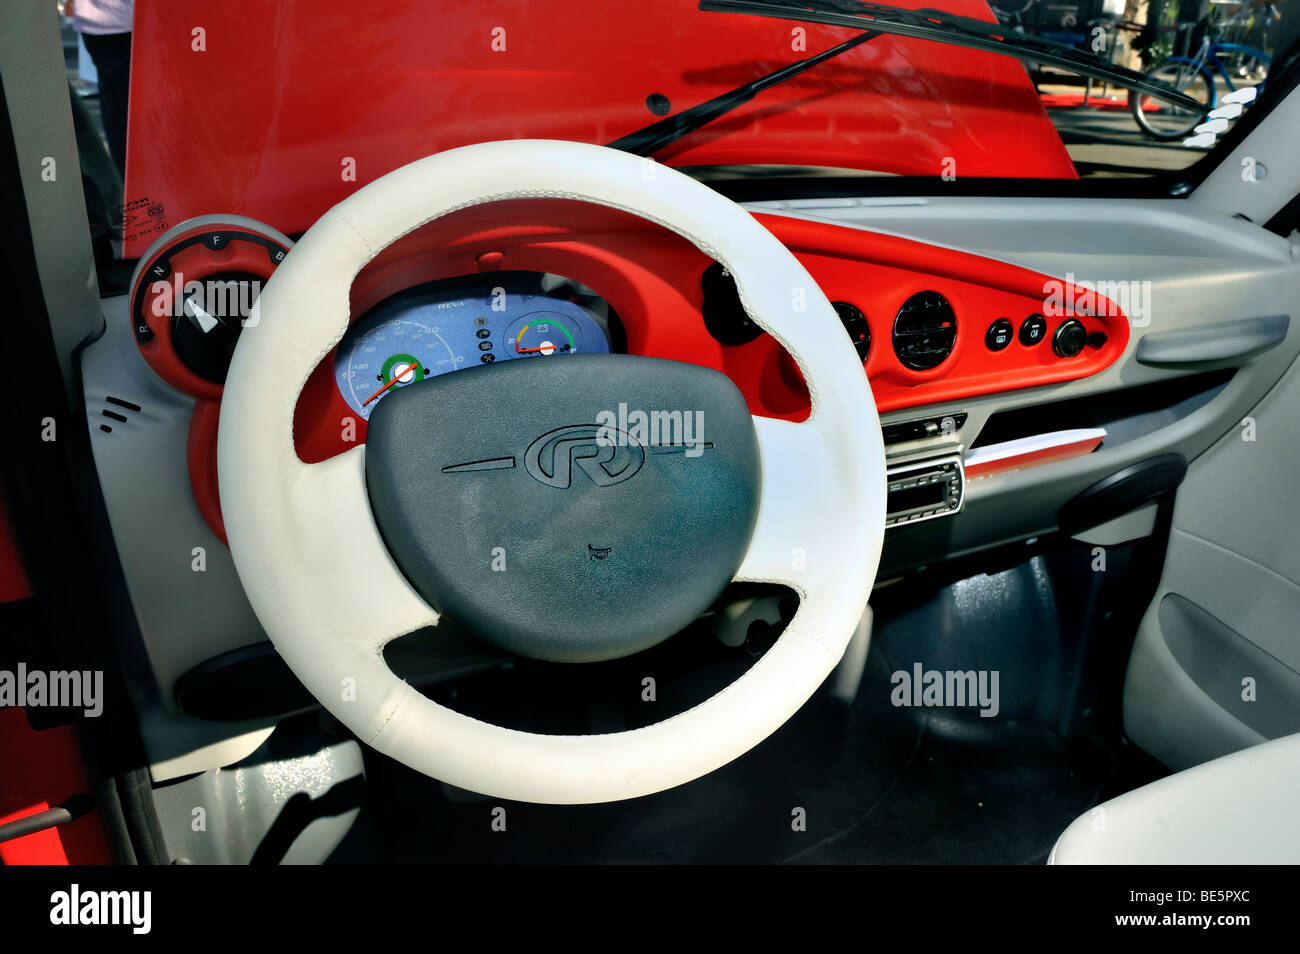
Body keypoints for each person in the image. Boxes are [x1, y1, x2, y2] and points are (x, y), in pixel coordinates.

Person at [65, 0, 133, 181]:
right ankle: (128, 179)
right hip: (110, 20)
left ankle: (126, 179)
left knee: (117, 103)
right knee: (121, 105)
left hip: (102, 20)